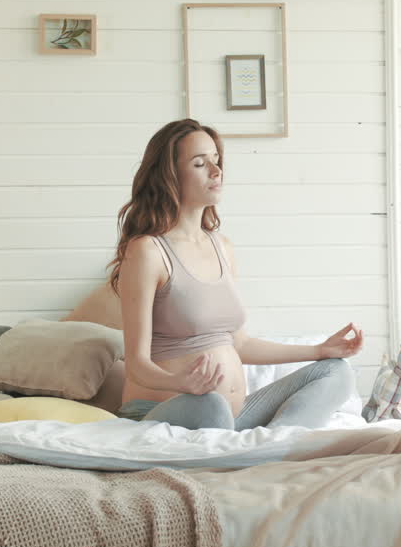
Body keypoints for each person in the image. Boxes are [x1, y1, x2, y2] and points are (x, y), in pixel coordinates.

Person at [108, 118, 362, 430]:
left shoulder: (222, 247)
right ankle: (258, 451)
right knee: (211, 404)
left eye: (217, 161)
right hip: (159, 415)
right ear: (169, 176)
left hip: (232, 419)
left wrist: (319, 350)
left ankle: (266, 446)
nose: (216, 172)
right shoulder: (148, 251)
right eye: (200, 163)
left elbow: (239, 344)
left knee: (336, 372)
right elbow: (137, 366)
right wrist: (180, 382)